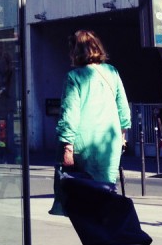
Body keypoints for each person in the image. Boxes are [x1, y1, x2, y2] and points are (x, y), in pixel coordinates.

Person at [55, 29, 131, 196]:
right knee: (107, 190)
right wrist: (122, 136)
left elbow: (70, 114)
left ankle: (92, 220)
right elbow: (123, 110)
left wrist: (67, 146)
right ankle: (106, 219)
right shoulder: (112, 72)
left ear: (75, 51)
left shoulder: (74, 76)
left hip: (83, 143)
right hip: (110, 142)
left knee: (83, 193)